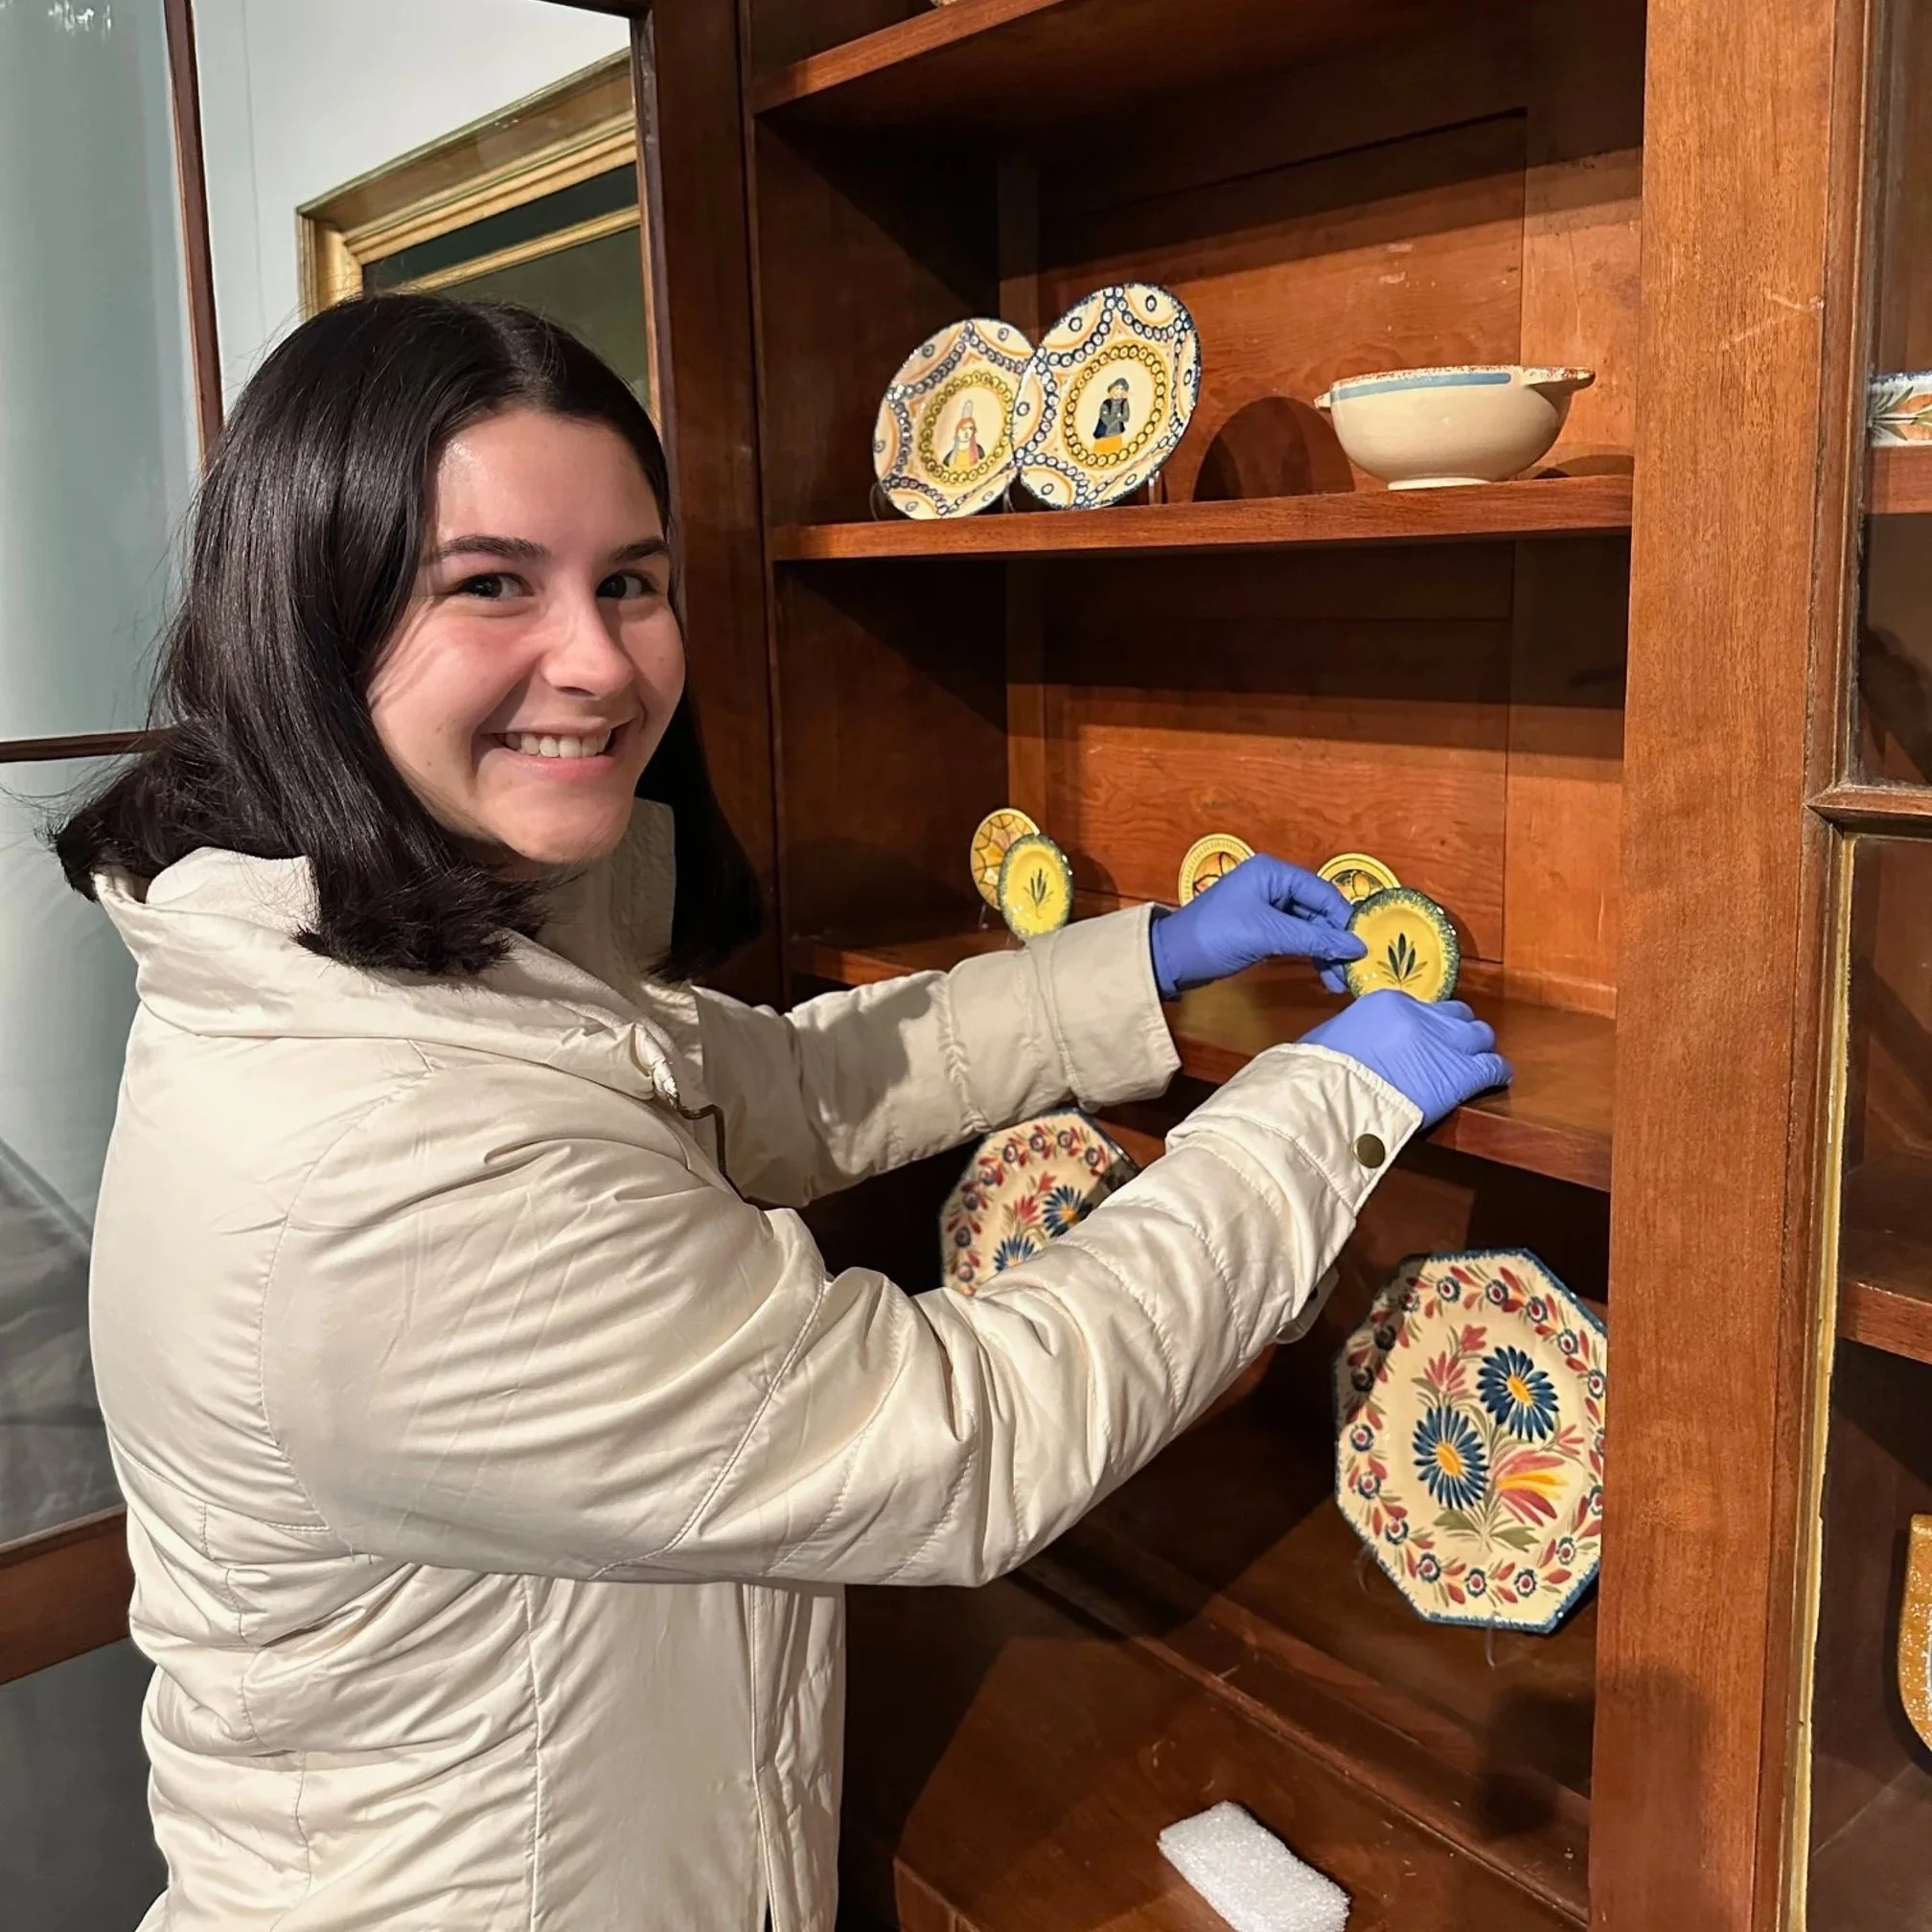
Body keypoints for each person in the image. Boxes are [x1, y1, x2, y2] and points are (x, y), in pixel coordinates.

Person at [58, 294, 1509, 1932]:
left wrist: (1145, 963)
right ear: (309, 624)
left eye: (631, 581)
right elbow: (971, 1431)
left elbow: (795, 1087)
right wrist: (1325, 1106)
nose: (599, 661)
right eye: (490, 584)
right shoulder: (385, 1170)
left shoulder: (394, 967)